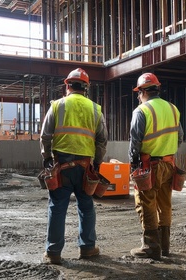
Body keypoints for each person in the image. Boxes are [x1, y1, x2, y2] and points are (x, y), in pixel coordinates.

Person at [40, 68, 108, 264]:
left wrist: (46, 158)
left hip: (61, 167)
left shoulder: (57, 106)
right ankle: (87, 248)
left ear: (67, 85)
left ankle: (53, 252)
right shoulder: (95, 108)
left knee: (57, 207)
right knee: (86, 207)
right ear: (86, 88)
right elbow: (102, 140)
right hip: (86, 167)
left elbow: (46, 136)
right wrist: (96, 163)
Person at [128, 72, 183, 260]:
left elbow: (135, 143)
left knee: (145, 203)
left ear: (144, 91)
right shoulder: (173, 109)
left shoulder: (141, 111)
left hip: (148, 166)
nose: (137, 96)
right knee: (164, 204)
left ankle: (151, 247)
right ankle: (164, 246)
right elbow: (180, 137)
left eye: (138, 92)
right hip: (169, 164)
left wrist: (133, 165)